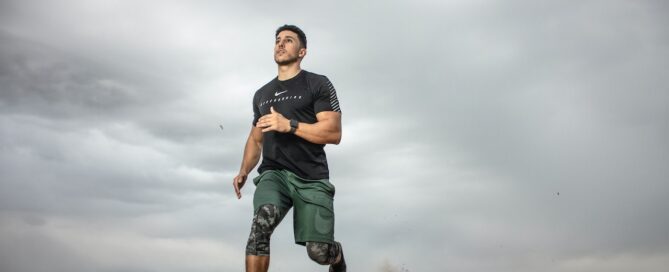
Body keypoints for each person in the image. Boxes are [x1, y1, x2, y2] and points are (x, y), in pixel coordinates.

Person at [232, 24, 346, 272]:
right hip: (274, 174)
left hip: (311, 178)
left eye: (289, 40)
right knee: (261, 224)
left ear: (302, 51)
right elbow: (255, 139)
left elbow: (333, 133)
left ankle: (336, 257)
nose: (281, 44)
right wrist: (244, 171)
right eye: (277, 40)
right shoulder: (262, 94)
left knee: (318, 252)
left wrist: (289, 125)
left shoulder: (317, 83)